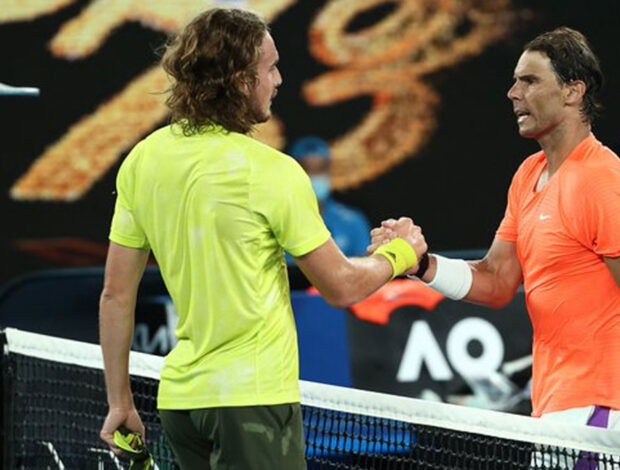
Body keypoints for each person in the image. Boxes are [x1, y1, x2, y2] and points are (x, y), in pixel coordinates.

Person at [98, 8, 426, 469]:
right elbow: (341, 286)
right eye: (270, 68)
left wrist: (120, 402)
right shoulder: (271, 172)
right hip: (251, 405)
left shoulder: (142, 160)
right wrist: (401, 253)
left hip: (181, 407)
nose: (279, 79)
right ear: (239, 81)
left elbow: (115, 295)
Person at [370, 27, 620, 439]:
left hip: (603, 412)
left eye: (530, 81)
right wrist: (422, 265)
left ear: (572, 91)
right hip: (556, 407)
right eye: (516, 81)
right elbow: (497, 281)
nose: (513, 93)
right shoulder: (528, 175)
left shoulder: (604, 181)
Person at [287, 136, 371, 258]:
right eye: (306, 170)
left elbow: (364, 264)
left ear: (329, 171)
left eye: (320, 169)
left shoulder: (353, 222)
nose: (313, 177)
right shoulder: (279, 220)